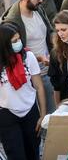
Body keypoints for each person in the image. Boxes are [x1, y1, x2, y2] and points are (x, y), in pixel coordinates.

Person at [0, 23, 47, 160]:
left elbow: (39, 86)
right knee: (16, 155)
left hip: (30, 111)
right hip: (6, 114)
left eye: (19, 39)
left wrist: (42, 114)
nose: (18, 43)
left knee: (33, 151)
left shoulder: (28, 57)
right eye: (14, 41)